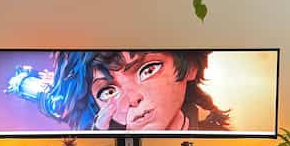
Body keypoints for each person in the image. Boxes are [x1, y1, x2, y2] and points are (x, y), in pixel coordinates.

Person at [40, 50, 230, 131]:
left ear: (190, 68)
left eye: (148, 70)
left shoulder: (215, 138)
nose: (132, 99)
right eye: (108, 91)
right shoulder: (104, 138)